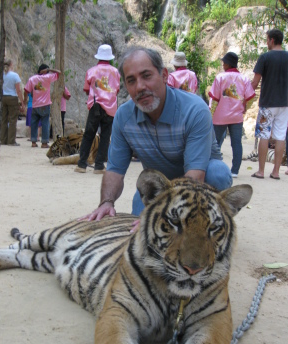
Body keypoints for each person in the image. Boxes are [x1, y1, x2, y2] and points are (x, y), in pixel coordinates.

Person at [79, 46, 232, 222]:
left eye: (146, 76)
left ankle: (214, 222)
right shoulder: (123, 116)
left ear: (165, 75)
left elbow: (195, 175)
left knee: (217, 173)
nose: (140, 87)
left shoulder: (195, 110)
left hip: (200, 180)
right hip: (161, 184)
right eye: (131, 81)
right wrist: (106, 202)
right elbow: (114, 170)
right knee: (139, 221)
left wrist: (161, 214)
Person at [75, 44, 120, 174]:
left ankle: (82, 164)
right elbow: (116, 90)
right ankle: (99, 165)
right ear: (110, 57)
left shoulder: (91, 71)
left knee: (89, 134)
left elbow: (86, 89)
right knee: (105, 136)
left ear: (98, 56)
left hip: (95, 106)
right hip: (110, 108)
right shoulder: (115, 72)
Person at [209, 52, 255, 178]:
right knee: (236, 143)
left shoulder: (220, 77)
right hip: (236, 117)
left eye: (224, 63)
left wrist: (210, 114)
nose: (223, 65)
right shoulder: (244, 78)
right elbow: (251, 97)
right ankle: (235, 171)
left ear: (228, 64)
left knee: (215, 143)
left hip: (220, 117)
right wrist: (244, 108)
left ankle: (214, 167)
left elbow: (214, 99)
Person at [251, 29, 288, 180]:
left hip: (267, 103)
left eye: (267, 40)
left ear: (272, 40)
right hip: (285, 103)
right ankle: (276, 172)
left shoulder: (265, 57)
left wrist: (246, 97)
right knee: (280, 136)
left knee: (264, 135)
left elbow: (255, 82)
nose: (267, 43)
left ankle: (261, 171)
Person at [23, 64, 61, 149]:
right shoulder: (48, 77)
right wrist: (50, 69)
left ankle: (33, 142)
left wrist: (24, 101)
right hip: (45, 104)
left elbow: (26, 90)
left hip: (35, 105)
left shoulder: (32, 79)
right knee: (45, 124)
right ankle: (44, 143)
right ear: (45, 71)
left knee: (34, 123)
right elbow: (59, 73)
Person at [1, 60, 25, 146]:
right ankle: (11, 141)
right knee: (12, 120)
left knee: (3, 119)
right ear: (11, 65)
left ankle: (2, 140)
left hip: (3, 97)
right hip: (12, 98)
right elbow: (18, 90)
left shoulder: (1, 75)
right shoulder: (15, 75)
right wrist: (22, 102)